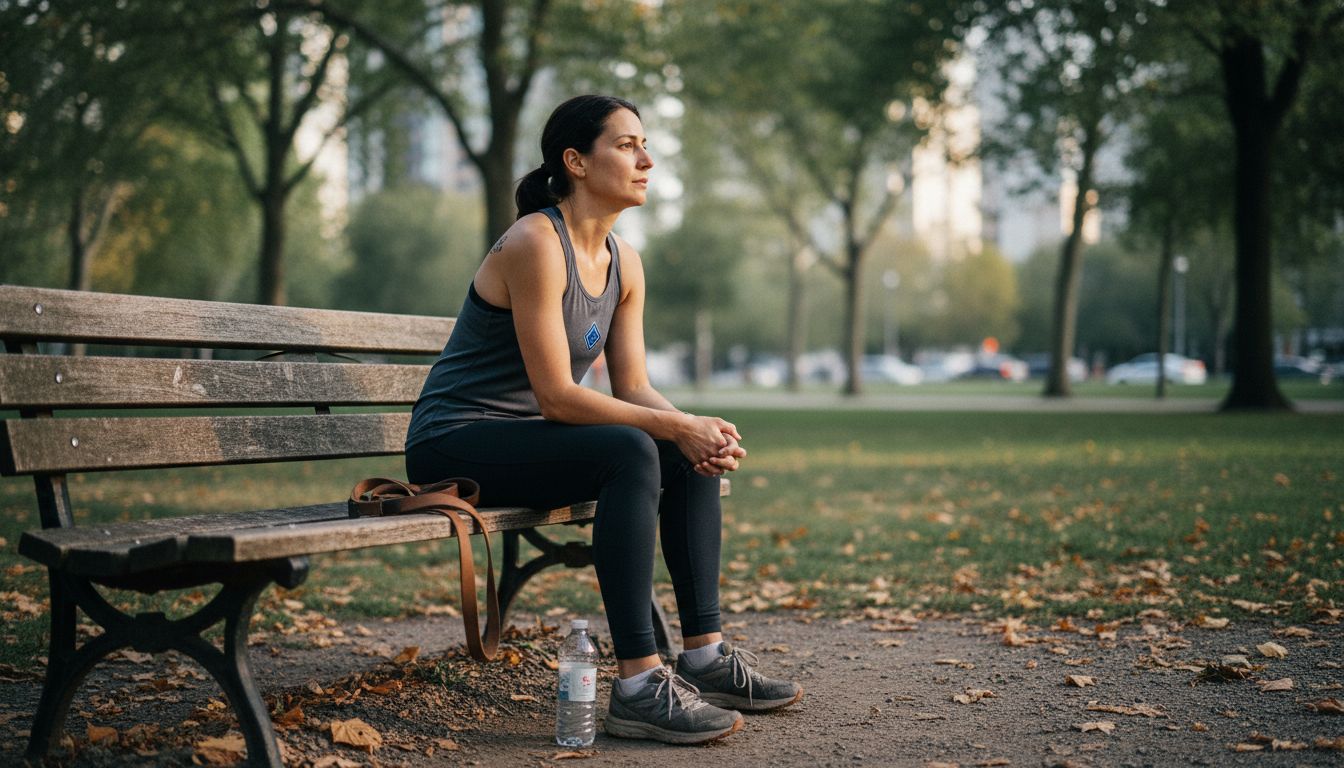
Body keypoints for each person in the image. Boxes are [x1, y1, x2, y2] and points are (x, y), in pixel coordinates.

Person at [404, 94, 801, 745]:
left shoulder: (625, 262)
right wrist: (674, 427)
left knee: (678, 451)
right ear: (576, 161)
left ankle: (704, 655)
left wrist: (697, 429)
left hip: (527, 441)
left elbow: (635, 385)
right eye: (626, 145)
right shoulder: (536, 242)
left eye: (646, 146)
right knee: (635, 448)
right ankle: (640, 684)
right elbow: (558, 397)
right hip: (455, 441)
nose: (646, 161)